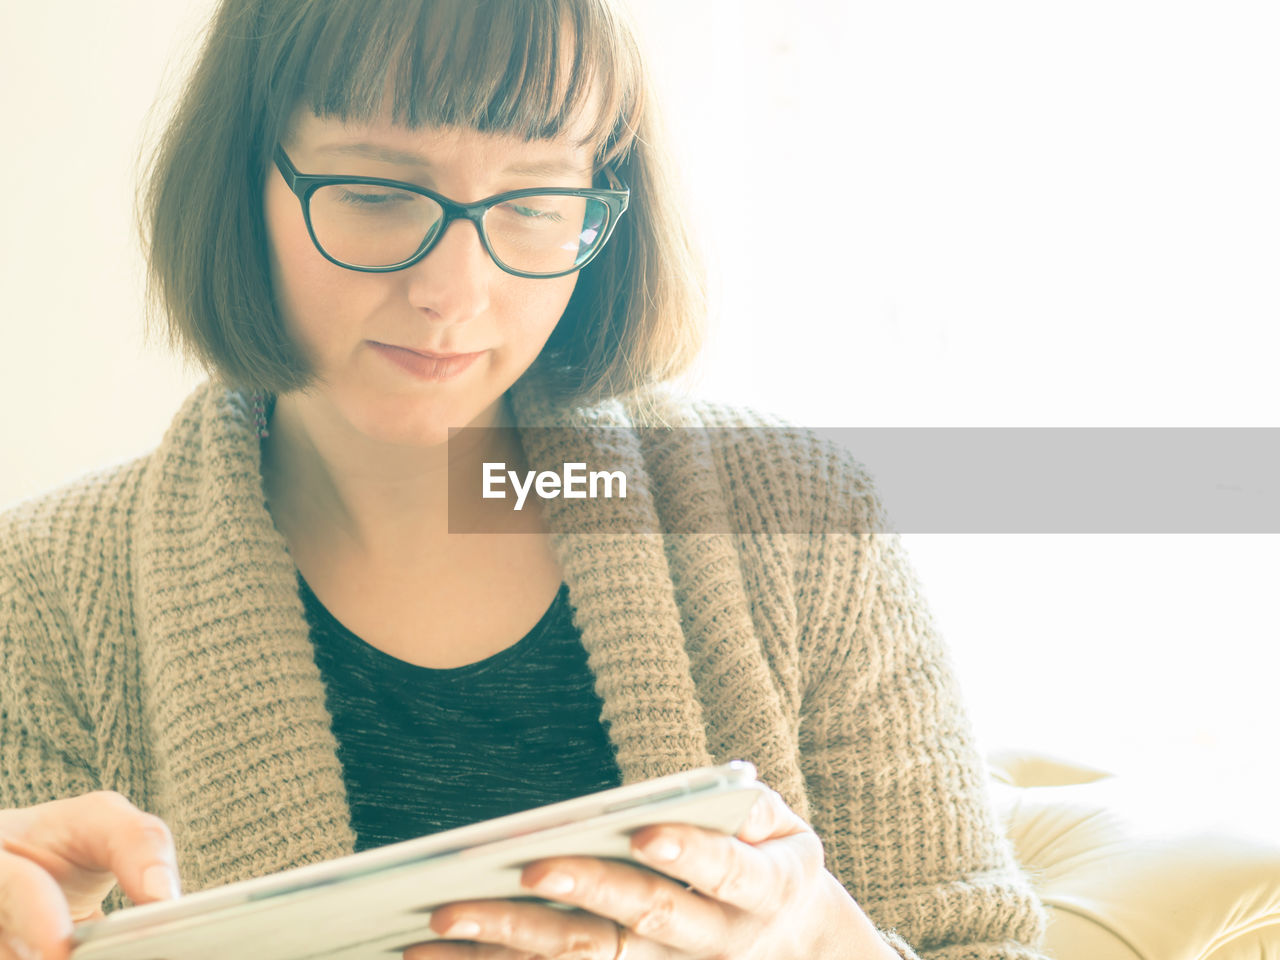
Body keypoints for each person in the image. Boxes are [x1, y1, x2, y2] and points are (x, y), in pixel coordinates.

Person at [0, 1, 1051, 958]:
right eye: (373, 193)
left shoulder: (794, 521)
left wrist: (821, 941)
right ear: (241, 181)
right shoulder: (45, 592)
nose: (454, 293)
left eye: (536, 203)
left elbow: (980, 943)